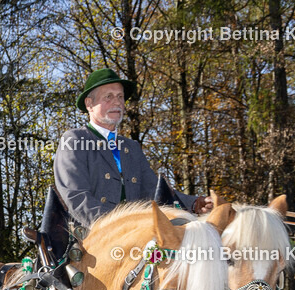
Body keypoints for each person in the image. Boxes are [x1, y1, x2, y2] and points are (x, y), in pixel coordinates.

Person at [54, 68, 211, 227]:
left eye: (120, 97)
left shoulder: (132, 147)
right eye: (108, 97)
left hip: (136, 233)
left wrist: (193, 204)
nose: (117, 102)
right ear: (89, 104)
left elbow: (154, 192)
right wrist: (114, 225)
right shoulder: (75, 140)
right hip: (93, 236)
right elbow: (76, 197)